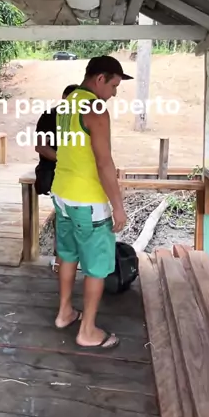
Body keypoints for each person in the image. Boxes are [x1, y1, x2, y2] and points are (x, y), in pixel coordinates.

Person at [50, 56, 133, 350]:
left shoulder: (68, 102)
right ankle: (87, 331)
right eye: (114, 85)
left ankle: (65, 312)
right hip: (88, 200)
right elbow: (103, 162)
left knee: (68, 255)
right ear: (100, 79)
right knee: (97, 267)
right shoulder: (96, 108)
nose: (114, 93)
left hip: (61, 194)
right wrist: (118, 206)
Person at [34, 84, 79, 273]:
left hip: (77, 172)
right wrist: (64, 160)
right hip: (52, 169)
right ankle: (61, 258)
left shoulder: (83, 119)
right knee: (64, 215)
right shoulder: (48, 116)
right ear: (63, 97)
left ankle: (71, 257)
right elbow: (41, 147)